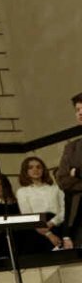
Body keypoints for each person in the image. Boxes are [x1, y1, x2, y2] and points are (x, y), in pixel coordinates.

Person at [15, 156, 69, 251]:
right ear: (25, 171)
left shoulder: (55, 188)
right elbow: (28, 217)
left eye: (38, 167)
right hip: (37, 231)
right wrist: (49, 235)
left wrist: (52, 223)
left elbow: (64, 210)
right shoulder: (22, 192)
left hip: (57, 224)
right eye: (31, 167)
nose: (35, 170)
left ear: (43, 170)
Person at [54, 92, 82, 240]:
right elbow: (62, 180)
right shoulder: (71, 147)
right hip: (77, 219)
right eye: (77, 110)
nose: (80, 113)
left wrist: (76, 173)